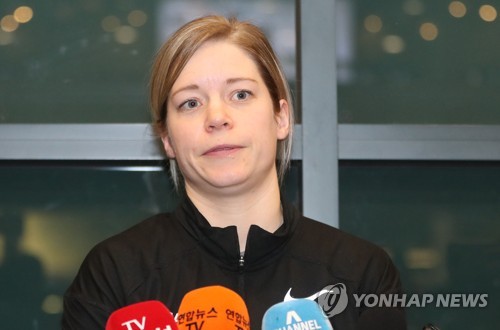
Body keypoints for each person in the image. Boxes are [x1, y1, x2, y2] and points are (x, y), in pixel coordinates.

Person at [62, 15, 405, 329]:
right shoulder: (115, 273)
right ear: (166, 138)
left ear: (281, 117)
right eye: (191, 103)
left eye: (240, 94)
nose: (217, 117)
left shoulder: (362, 273)